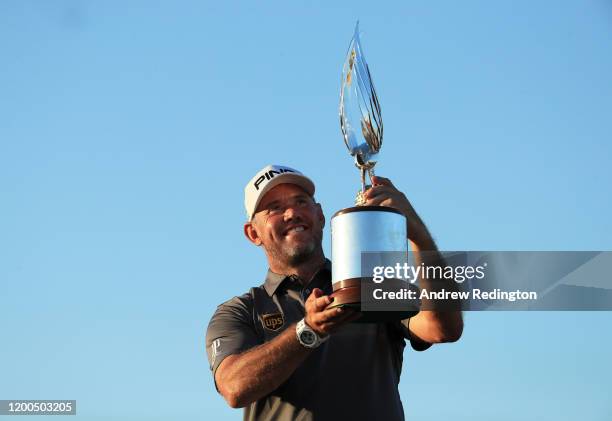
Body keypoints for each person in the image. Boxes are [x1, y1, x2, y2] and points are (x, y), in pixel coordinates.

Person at [206, 164, 463, 421]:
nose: (292, 213)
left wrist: (419, 237)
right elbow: (234, 387)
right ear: (253, 233)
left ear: (320, 215)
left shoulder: (371, 286)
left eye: (301, 201)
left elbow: (443, 328)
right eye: (274, 208)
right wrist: (308, 332)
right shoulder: (241, 310)